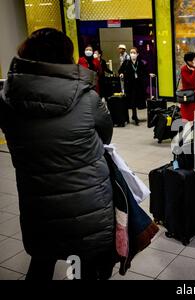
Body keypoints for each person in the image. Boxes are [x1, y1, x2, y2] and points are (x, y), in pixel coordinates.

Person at [0, 28, 115, 280]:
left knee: (41, 262)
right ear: (66, 56)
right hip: (86, 205)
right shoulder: (88, 99)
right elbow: (106, 136)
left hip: (37, 202)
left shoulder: (7, 101)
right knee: (85, 267)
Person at [119, 47, 147, 125]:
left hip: (138, 84)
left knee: (136, 100)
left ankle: (134, 116)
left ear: (137, 54)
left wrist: (148, 75)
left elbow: (144, 71)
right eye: (131, 52)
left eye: (134, 53)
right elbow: (120, 70)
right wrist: (121, 73)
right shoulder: (126, 62)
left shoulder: (140, 62)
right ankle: (134, 116)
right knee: (132, 100)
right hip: (129, 85)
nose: (132, 54)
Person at [179, 52, 195, 122]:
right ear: (189, 61)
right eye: (194, 59)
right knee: (188, 118)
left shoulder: (193, 68)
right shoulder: (184, 69)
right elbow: (190, 81)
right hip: (188, 96)